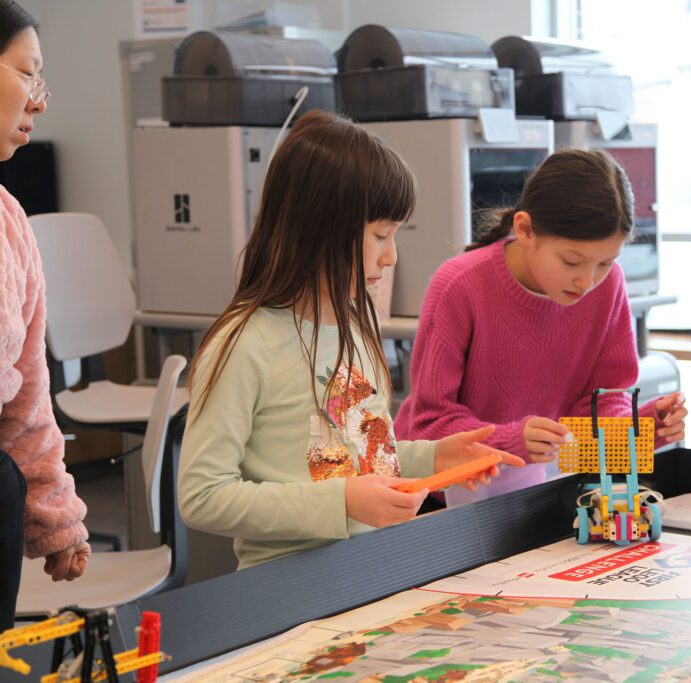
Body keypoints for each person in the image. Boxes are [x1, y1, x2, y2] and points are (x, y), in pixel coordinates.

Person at [178, 110, 523, 570]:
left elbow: (364, 460)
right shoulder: (245, 342)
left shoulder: (354, 323)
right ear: (320, 228)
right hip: (291, 583)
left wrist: (436, 457)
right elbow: (203, 497)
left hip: (375, 566)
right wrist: (340, 504)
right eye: (380, 234)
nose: (392, 255)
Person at [394, 148, 687, 506]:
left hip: (525, 491)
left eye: (606, 263)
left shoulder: (608, 287)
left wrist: (643, 428)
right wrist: (512, 440)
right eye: (571, 261)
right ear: (525, 229)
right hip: (433, 496)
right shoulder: (461, 285)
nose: (587, 281)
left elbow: (595, 413)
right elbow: (429, 425)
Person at [0, 0, 90, 629]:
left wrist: (56, 518)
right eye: (27, 74)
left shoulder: (10, 223)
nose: (40, 100)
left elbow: (28, 394)